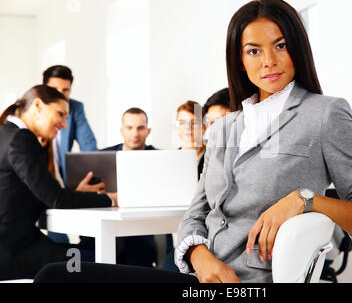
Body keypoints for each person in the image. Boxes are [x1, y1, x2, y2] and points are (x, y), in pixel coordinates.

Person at [34, 0, 352, 283]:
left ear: (297, 48)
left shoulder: (325, 114)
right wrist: (199, 257)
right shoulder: (224, 128)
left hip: (251, 280)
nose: (268, 60)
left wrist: (307, 201)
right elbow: (195, 216)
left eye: (281, 45)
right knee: (58, 275)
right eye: (253, 50)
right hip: (199, 278)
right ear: (240, 60)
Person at [0, 85, 117, 280]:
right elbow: (56, 199)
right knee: (92, 263)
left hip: (15, 245)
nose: (64, 124)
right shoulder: (21, 138)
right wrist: (110, 199)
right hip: (13, 251)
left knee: (85, 256)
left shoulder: (6, 133)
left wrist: (75, 192)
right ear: (38, 106)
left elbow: (42, 193)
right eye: (60, 114)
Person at [80, 108, 173, 268]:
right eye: (129, 128)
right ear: (122, 130)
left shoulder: (161, 158)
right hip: (110, 222)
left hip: (145, 226)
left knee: (138, 251)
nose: (135, 134)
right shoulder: (101, 157)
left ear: (148, 130)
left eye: (140, 128)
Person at [43, 65, 98, 183]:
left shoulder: (75, 108)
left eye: (65, 90)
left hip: (62, 179)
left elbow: (89, 147)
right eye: (54, 89)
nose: (60, 95)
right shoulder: (31, 110)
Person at [176, 101, 206, 179]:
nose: (188, 127)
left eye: (194, 122)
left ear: (203, 126)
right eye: (182, 123)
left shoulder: (212, 157)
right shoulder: (171, 158)